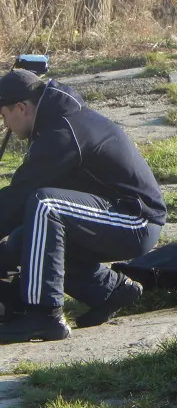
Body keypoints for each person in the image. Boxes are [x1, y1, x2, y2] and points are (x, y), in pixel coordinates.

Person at [0, 69, 167, 343]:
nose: (5, 124)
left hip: (136, 221)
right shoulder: (54, 122)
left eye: (4, 115)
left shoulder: (63, 131)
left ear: (21, 107)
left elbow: (21, 194)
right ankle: (108, 289)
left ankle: (44, 317)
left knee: (46, 205)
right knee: (24, 238)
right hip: (110, 214)